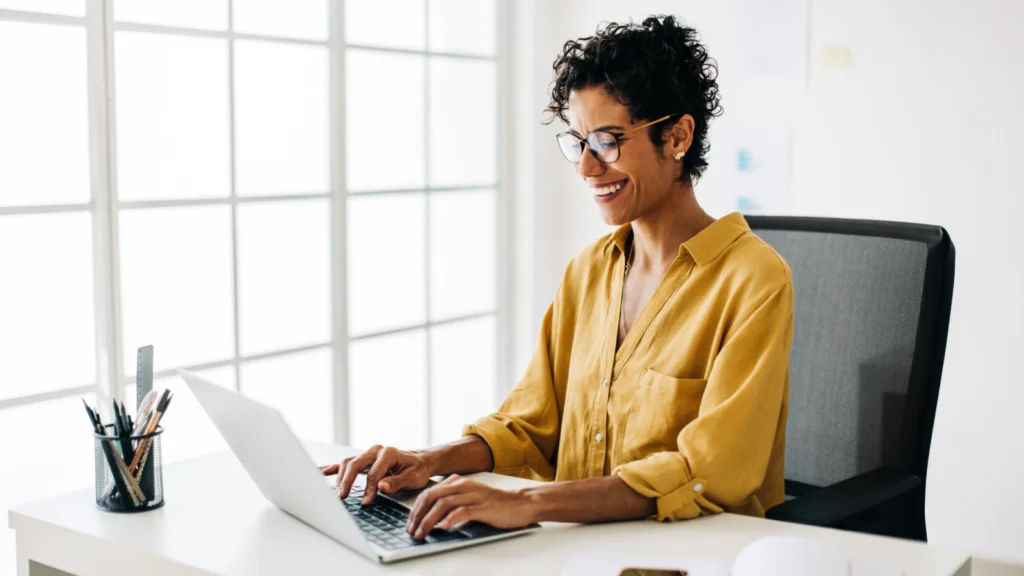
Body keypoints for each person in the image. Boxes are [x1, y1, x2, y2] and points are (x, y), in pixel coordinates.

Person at [323, 14, 794, 540]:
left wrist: (526, 503)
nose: (587, 169)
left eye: (609, 141)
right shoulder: (588, 272)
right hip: (570, 545)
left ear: (678, 136)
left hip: (691, 552)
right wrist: (427, 459)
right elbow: (528, 426)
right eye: (579, 143)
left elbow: (711, 472)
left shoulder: (753, 279)